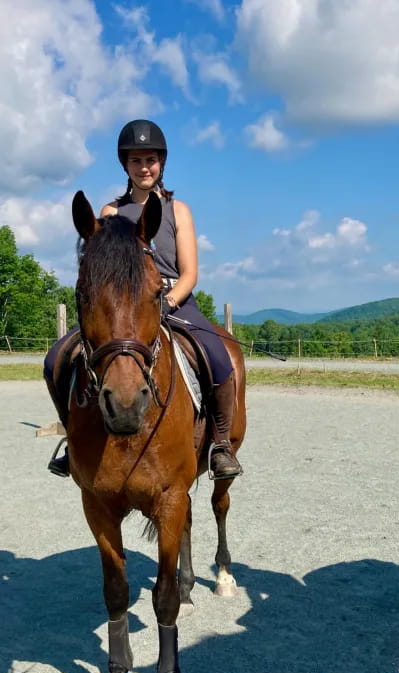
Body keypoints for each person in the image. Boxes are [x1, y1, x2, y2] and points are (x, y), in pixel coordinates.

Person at [44, 119, 242, 480]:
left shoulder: (177, 210)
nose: (144, 167)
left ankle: (220, 444)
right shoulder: (109, 213)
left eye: (150, 159)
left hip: (173, 299)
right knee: (56, 358)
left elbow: (190, 274)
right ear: (126, 166)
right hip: (120, 306)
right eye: (136, 161)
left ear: (161, 163)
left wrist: (164, 304)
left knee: (220, 360)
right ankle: (74, 437)